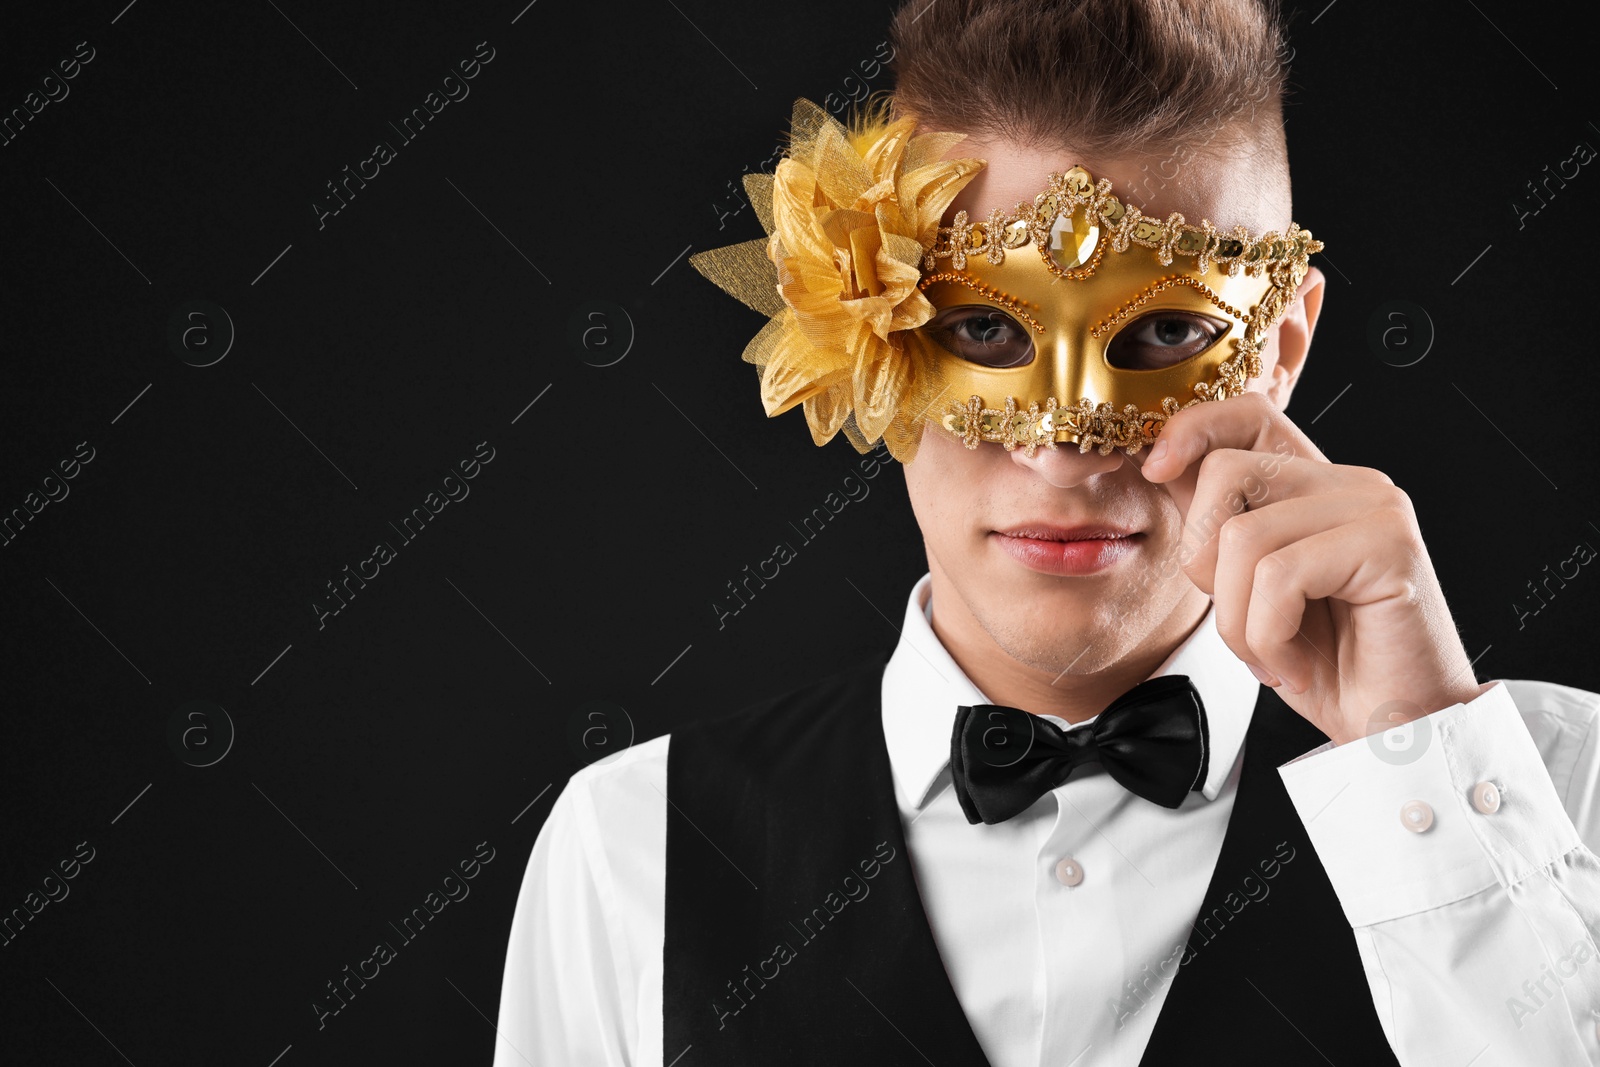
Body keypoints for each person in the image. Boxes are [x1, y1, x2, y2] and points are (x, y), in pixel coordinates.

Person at [491, 0, 1600, 1064]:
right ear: (853, 328)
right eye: (981, 325)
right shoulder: (636, 846)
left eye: (1166, 327)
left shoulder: (1558, 792)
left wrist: (1432, 783)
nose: (1064, 446)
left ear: (1280, 346)